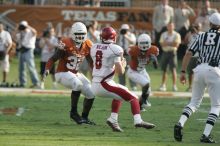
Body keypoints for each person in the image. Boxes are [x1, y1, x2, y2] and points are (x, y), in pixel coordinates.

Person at [90, 26, 155, 132]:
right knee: (133, 97)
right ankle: (138, 120)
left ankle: (113, 119)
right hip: (104, 84)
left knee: (120, 91)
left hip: (95, 83)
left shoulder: (94, 47)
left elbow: (104, 61)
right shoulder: (115, 49)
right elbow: (120, 72)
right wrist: (123, 64)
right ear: (113, 37)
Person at [174, 12, 220, 143]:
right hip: (214, 70)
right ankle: (205, 135)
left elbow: (188, 53)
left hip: (199, 70)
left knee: (194, 102)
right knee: (216, 106)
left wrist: (183, 71)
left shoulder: (201, 36)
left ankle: (180, 123)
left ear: (210, 24)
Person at [44, 22, 95, 125]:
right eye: (77, 34)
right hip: (62, 73)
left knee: (91, 93)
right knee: (78, 84)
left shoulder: (88, 44)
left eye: (82, 34)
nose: (80, 36)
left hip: (74, 74)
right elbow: (53, 58)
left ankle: (84, 118)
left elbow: (91, 62)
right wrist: (47, 68)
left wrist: (96, 73)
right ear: (72, 34)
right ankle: (73, 113)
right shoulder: (66, 42)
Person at [126, 34, 159, 111]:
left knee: (148, 89)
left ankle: (140, 107)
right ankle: (144, 101)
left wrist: (155, 60)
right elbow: (123, 52)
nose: (143, 52)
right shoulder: (133, 49)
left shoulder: (154, 50)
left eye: (145, 51)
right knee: (146, 84)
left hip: (142, 70)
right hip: (132, 71)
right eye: (142, 51)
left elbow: (156, 67)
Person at [15, 21, 40, 88]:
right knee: (21, 68)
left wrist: (27, 26)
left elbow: (35, 32)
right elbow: (14, 37)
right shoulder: (20, 33)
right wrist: (17, 29)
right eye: (21, 26)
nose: (22, 27)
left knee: (31, 67)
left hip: (29, 50)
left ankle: (36, 83)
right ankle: (22, 83)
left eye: (23, 26)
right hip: (21, 50)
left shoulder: (30, 32)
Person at [159, 22, 181, 92]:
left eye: (171, 26)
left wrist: (167, 43)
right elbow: (162, 44)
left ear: (174, 27)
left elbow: (176, 45)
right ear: (167, 27)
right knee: (164, 70)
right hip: (165, 52)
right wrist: (171, 43)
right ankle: (163, 85)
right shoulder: (163, 34)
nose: (170, 27)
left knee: (173, 69)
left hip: (173, 53)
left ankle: (174, 85)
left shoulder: (176, 34)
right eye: (169, 26)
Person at [117, 24, 137, 90]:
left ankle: (133, 85)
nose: (124, 31)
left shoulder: (131, 35)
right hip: (121, 54)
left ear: (128, 30)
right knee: (121, 69)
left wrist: (125, 36)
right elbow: (115, 42)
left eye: (125, 30)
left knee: (130, 70)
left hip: (129, 54)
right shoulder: (119, 36)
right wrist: (118, 35)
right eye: (123, 30)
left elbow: (133, 42)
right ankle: (122, 85)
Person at [184, 23, 202, 91]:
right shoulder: (190, 34)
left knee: (199, 72)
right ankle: (190, 86)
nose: (196, 28)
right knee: (190, 72)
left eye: (197, 27)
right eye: (195, 27)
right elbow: (185, 42)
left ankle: (199, 86)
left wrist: (196, 32)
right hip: (191, 56)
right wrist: (189, 34)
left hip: (199, 56)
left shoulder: (202, 34)